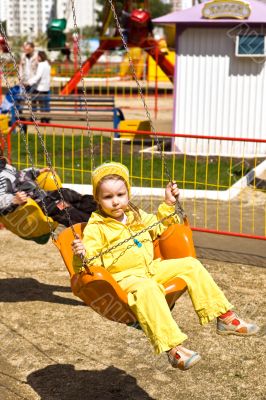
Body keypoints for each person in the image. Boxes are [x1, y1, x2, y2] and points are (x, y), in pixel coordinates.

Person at [72, 162, 259, 371]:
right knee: (148, 289)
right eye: (108, 197)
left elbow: (159, 225)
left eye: (120, 195)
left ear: (128, 194)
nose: (115, 202)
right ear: (97, 199)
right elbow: (89, 262)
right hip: (125, 279)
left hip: (151, 269)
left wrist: (169, 203)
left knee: (191, 265)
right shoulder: (96, 227)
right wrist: (81, 254)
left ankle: (224, 317)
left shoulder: (136, 215)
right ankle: (173, 349)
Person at [0, 149, 97, 227]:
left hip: (42, 195)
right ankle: (94, 225)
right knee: (63, 208)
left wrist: (39, 171)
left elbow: (22, 174)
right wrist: (14, 201)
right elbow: (2, 199)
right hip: (36, 206)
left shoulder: (6, 167)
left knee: (66, 193)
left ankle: (100, 208)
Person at [28, 50, 51, 123]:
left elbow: (38, 76)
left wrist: (29, 82)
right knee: (44, 105)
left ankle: (33, 117)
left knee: (34, 102)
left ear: (40, 57)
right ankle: (45, 119)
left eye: (37, 56)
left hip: (40, 88)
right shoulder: (47, 64)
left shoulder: (41, 64)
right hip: (46, 88)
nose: (36, 58)